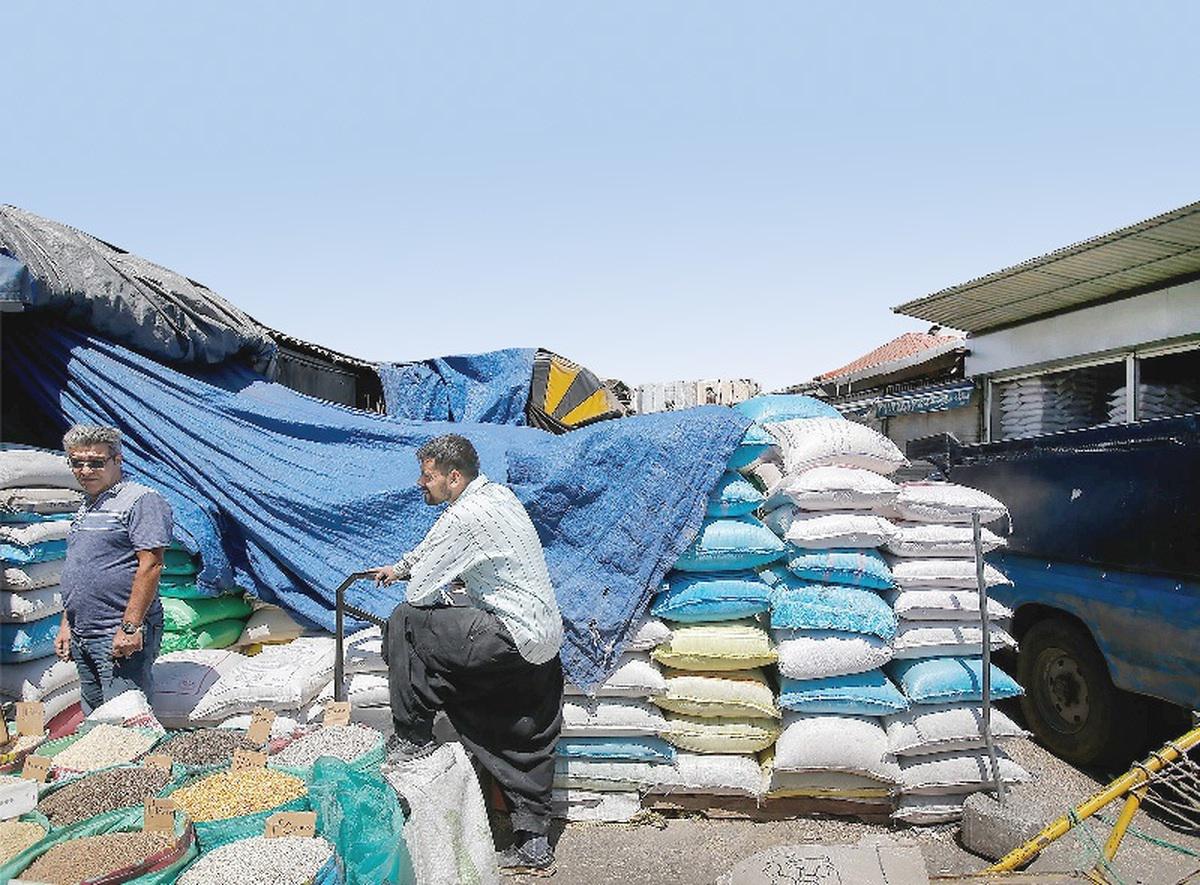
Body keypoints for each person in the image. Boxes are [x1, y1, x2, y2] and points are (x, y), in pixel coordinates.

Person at [369, 434, 564, 873]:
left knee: (405, 621)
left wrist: (411, 580)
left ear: (453, 478)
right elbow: (433, 547)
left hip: (507, 636)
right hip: (543, 642)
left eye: (428, 475)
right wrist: (399, 566)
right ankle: (534, 844)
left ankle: (412, 736)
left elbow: (421, 595)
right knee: (521, 731)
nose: (421, 483)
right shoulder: (497, 496)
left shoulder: (466, 516)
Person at [54, 425, 172, 713]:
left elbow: (151, 564)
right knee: (95, 717)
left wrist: (130, 627)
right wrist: (67, 625)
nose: (85, 470)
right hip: (84, 633)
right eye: (77, 463)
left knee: (126, 720)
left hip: (117, 632)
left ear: (118, 460)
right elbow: (80, 568)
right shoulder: (86, 506)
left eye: (96, 462)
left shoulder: (140, 499)